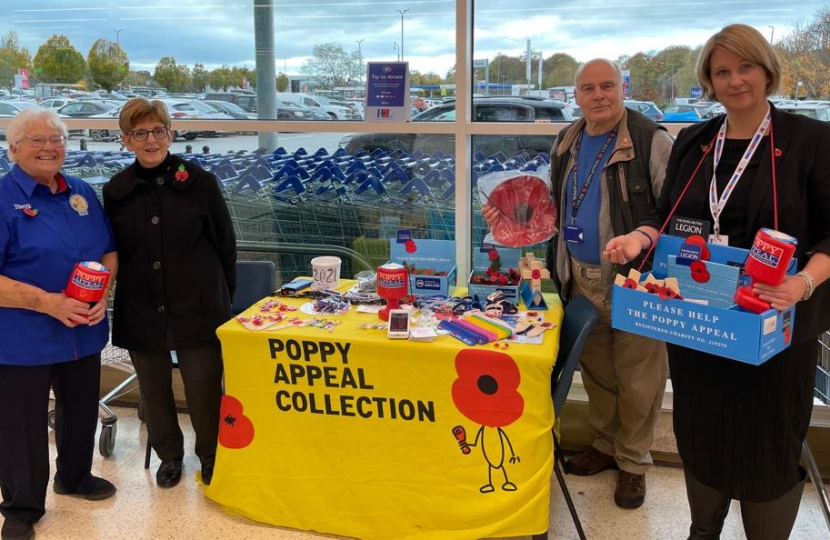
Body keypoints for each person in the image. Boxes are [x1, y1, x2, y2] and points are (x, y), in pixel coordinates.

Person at [604, 24, 830, 539]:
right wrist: (638, 241)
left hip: (775, 333)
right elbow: (664, 217)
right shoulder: (695, 142)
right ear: (709, 80)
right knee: (702, 437)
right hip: (701, 326)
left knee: (768, 447)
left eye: (745, 67)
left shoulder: (811, 141)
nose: (735, 81)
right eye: (722, 71)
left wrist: (803, 285)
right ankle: (701, 530)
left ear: (766, 69)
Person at [484, 58, 673, 509]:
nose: (598, 95)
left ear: (621, 89)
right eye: (588, 88)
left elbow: (673, 211)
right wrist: (506, 215)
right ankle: (606, 447)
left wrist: (640, 241)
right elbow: (553, 208)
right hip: (580, 277)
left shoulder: (651, 140)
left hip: (636, 280)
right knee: (601, 374)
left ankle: (633, 463)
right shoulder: (567, 141)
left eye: (607, 85)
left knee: (640, 379)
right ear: (576, 95)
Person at [103, 97, 236, 489]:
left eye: (157, 131)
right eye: (139, 133)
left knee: (204, 386)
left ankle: (210, 457)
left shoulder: (200, 183)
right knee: (155, 389)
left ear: (170, 135)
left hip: (197, 305)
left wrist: (220, 299)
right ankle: (170, 457)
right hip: (143, 304)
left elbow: (225, 245)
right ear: (126, 140)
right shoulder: (117, 190)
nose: (150, 139)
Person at [0, 109, 117, 540]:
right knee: (21, 425)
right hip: (20, 338)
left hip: (82, 330)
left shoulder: (81, 192)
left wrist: (103, 292)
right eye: (37, 139)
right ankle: (21, 507)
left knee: (81, 408)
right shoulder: (2, 200)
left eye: (58, 139)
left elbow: (108, 250)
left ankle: (74, 477)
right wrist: (48, 303)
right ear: (13, 148)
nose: (50, 146)